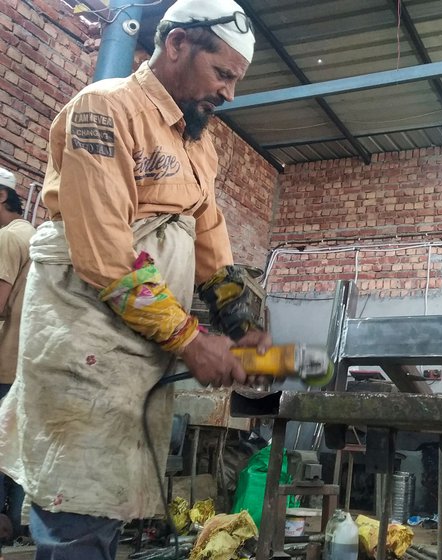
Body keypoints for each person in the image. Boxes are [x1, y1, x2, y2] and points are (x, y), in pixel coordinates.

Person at [0, 0, 271, 558]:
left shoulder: (198, 143)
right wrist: (192, 340)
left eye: (235, 81)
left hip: (138, 337)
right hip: (86, 334)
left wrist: (238, 317)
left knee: (111, 499)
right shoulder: (104, 109)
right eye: (222, 74)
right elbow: (107, 255)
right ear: (176, 46)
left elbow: (207, 231)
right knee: (78, 500)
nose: (229, 95)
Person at [0, 168, 34, 545]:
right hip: (26, 364)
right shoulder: (33, 234)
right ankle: (16, 525)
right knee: (16, 450)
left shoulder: (8, 238)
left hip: (4, 360)